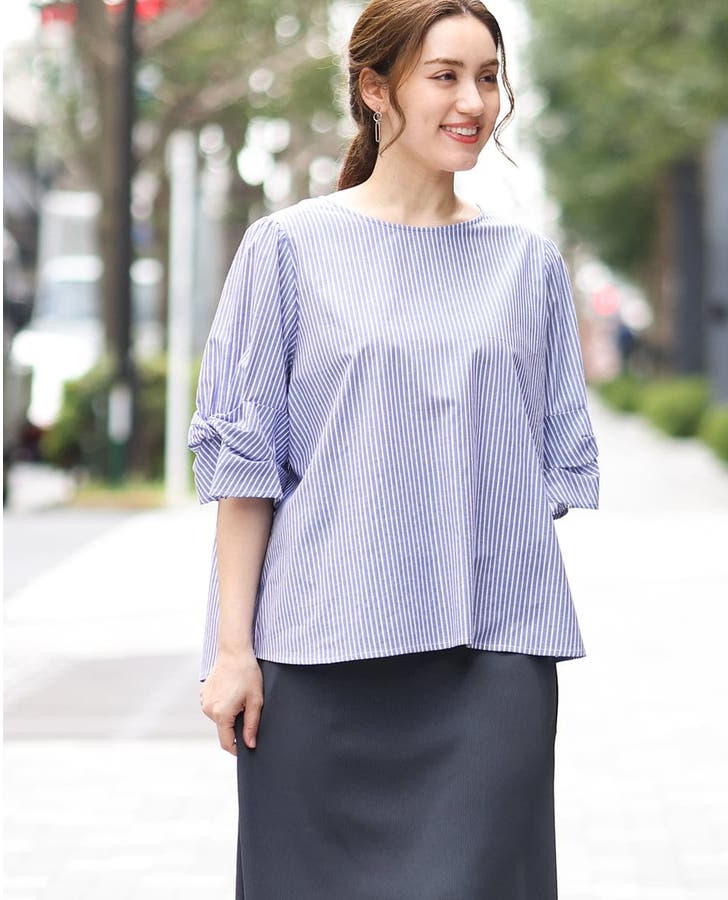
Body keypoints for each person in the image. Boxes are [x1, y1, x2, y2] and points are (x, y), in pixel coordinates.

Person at [188, 1, 600, 897]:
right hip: (316, 666)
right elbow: (244, 466)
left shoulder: (527, 267)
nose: (474, 101)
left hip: (491, 660)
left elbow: (541, 468)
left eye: (488, 77)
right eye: (445, 76)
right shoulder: (287, 249)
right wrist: (232, 650)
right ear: (376, 90)